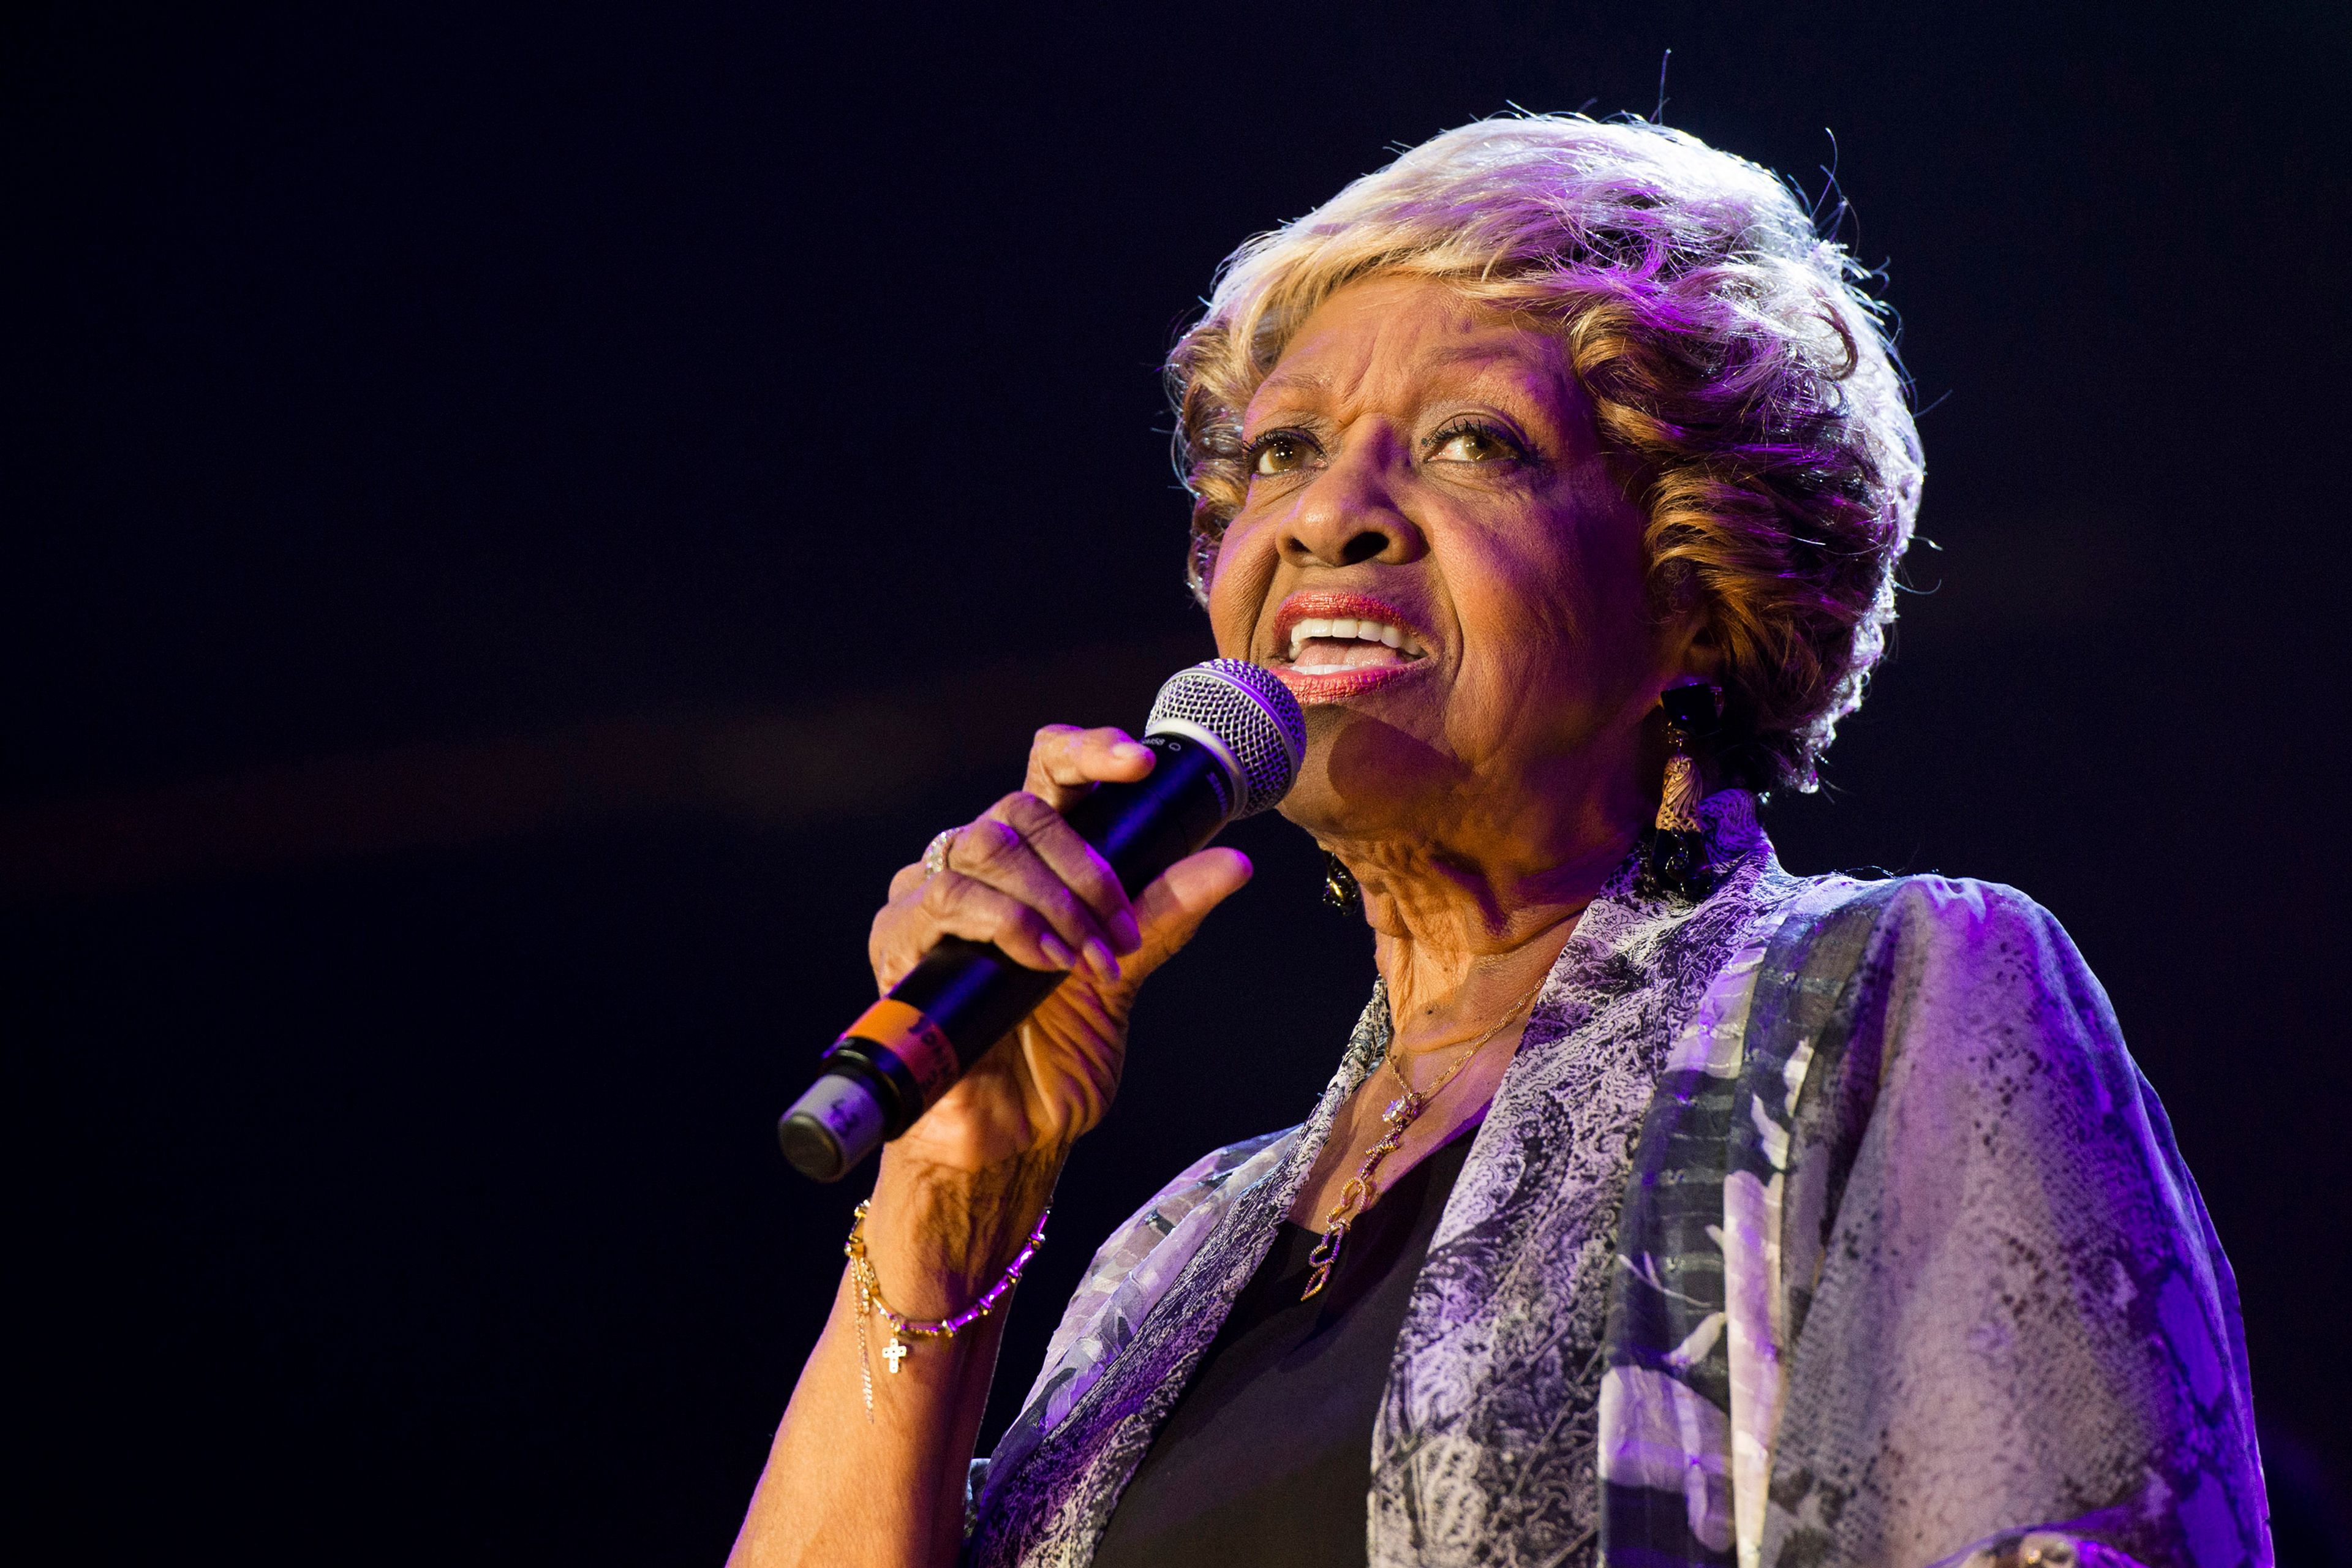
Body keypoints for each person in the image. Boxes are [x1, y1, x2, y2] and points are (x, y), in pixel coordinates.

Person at [728, 115, 2267, 1568]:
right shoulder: (1168, 1257)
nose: (1333, 516)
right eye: (1281, 452)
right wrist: (951, 1191)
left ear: (1693, 586)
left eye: (1473, 442)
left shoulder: (1882, 1004)